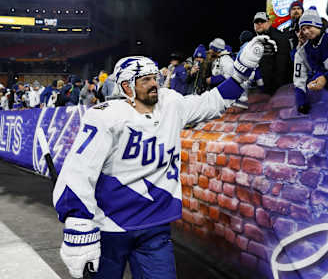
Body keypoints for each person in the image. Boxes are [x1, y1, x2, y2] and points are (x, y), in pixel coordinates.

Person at [53, 36, 275, 279]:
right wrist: (78, 222)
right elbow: (79, 169)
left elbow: (212, 102)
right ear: (127, 86)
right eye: (145, 80)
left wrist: (241, 73)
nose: (154, 84)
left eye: (155, 78)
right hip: (110, 227)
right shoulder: (106, 116)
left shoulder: (170, 104)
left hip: (154, 225)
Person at [253, 11, 292, 95]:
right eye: (256, 22)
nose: (259, 24)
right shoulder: (256, 41)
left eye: (262, 21)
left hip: (277, 89)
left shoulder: (279, 37)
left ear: (269, 22)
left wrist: (277, 91)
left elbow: (282, 66)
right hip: (264, 87)